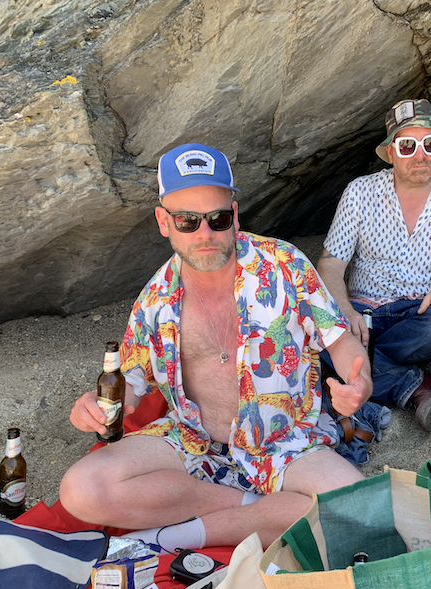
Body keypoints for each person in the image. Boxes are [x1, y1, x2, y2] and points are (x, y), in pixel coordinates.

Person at [60, 143, 372, 550]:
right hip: (194, 442)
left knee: (363, 511)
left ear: (235, 215)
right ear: (164, 222)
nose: (205, 234)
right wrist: (96, 408)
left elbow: (342, 341)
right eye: (187, 221)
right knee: (82, 489)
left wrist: (358, 383)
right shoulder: (154, 300)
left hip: (283, 442)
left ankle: (178, 535)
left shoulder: (285, 265)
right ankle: (261, 511)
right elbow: (131, 386)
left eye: (218, 219)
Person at [317, 99, 431, 432]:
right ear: (391, 152)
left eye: (430, 144)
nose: (420, 155)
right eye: (408, 145)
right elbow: (330, 266)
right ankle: (412, 384)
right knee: (313, 326)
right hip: (361, 313)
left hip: (418, 315)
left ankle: (350, 367)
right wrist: (346, 312)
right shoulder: (360, 193)